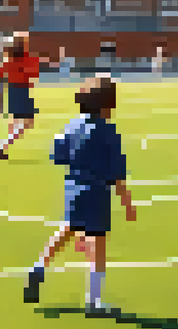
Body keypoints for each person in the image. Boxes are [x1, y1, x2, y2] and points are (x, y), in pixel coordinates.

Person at [24, 76, 136, 307]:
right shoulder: (108, 132)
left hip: (73, 187)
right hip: (97, 192)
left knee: (67, 229)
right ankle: (94, 300)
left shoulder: (72, 125)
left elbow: (58, 155)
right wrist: (128, 204)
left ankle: (39, 266)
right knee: (99, 242)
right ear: (109, 104)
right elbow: (118, 174)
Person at [0, 32, 55, 160]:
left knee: (15, 122)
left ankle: (4, 145)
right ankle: (3, 144)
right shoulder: (26, 59)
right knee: (28, 122)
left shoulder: (8, 61)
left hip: (12, 92)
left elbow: (0, 79)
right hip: (22, 92)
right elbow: (34, 72)